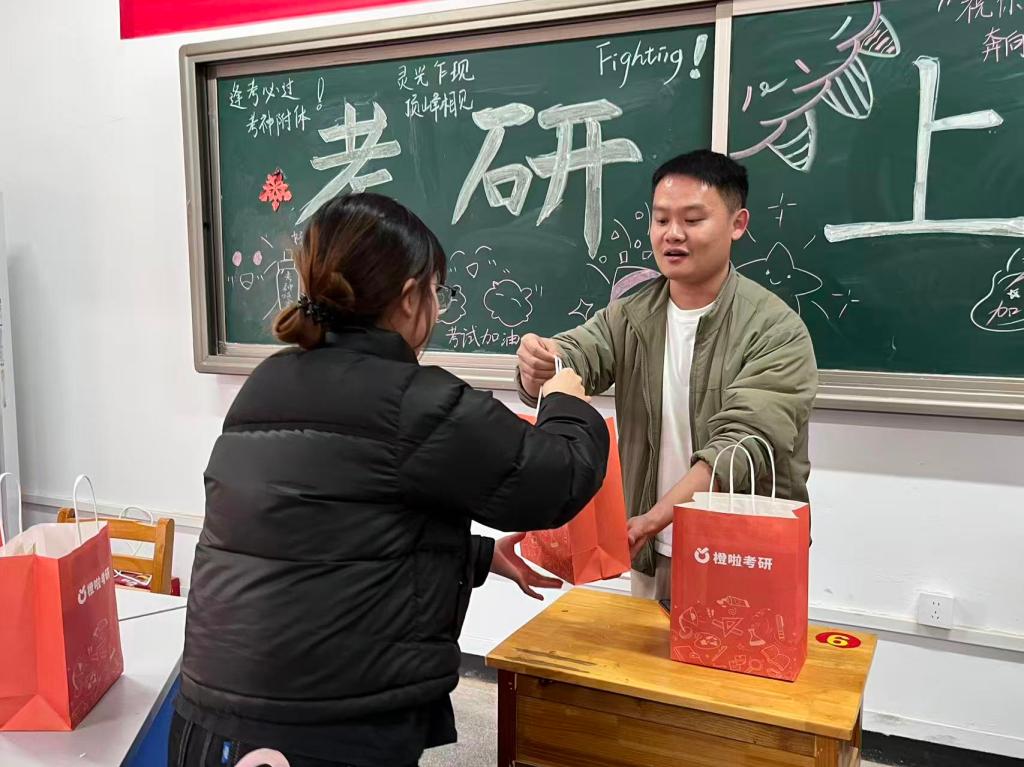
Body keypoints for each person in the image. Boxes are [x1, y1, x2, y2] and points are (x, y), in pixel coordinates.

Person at [172, 192, 609, 767]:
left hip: (211, 719)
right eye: (437, 293)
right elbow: (556, 479)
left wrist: (477, 556)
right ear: (409, 297)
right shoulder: (416, 401)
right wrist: (565, 402)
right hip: (326, 732)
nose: (437, 310)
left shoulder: (267, 382)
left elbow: (320, 533)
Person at [517, 149, 817, 600]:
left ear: (737, 224)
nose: (673, 234)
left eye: (693, 220)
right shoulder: (630, 315)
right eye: (661, 220)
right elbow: (575, 357)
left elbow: (741, 447)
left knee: (734, 647)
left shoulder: (776, 330)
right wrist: (538, 364)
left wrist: (654, 519)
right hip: (650, 552)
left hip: (739, 553)